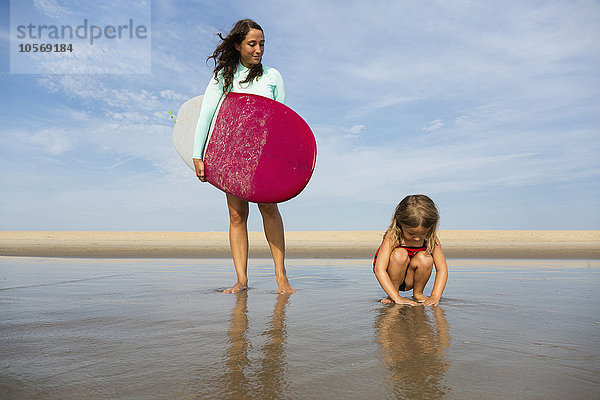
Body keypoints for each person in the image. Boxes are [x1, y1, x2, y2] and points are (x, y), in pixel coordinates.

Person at [192, 19, 294, 294]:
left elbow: (282, 121)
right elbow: (207, 115)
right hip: (232, 154)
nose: (258, 49)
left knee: (269, 209)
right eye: (252, 44)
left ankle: (281, 275)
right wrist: (197, 154)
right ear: (237, 45)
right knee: (237, 216)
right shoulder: (222, 77)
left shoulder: (273, 76)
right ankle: (241, 279)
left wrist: (281, 161)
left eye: (262, 44)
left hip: (264, 154)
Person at [373, 195, 448, 306]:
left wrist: (435, 296)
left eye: (423, 233)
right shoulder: (393, 236)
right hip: (392, 278)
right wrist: (396, 297)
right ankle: (392, 294)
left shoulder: (431, 238)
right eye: (411, 233)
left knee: (425, 257)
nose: (418, 238)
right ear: (400, 223)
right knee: (400, 254)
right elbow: (379, 269)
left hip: (412, 278)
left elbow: (442, 269)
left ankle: (418, 293)